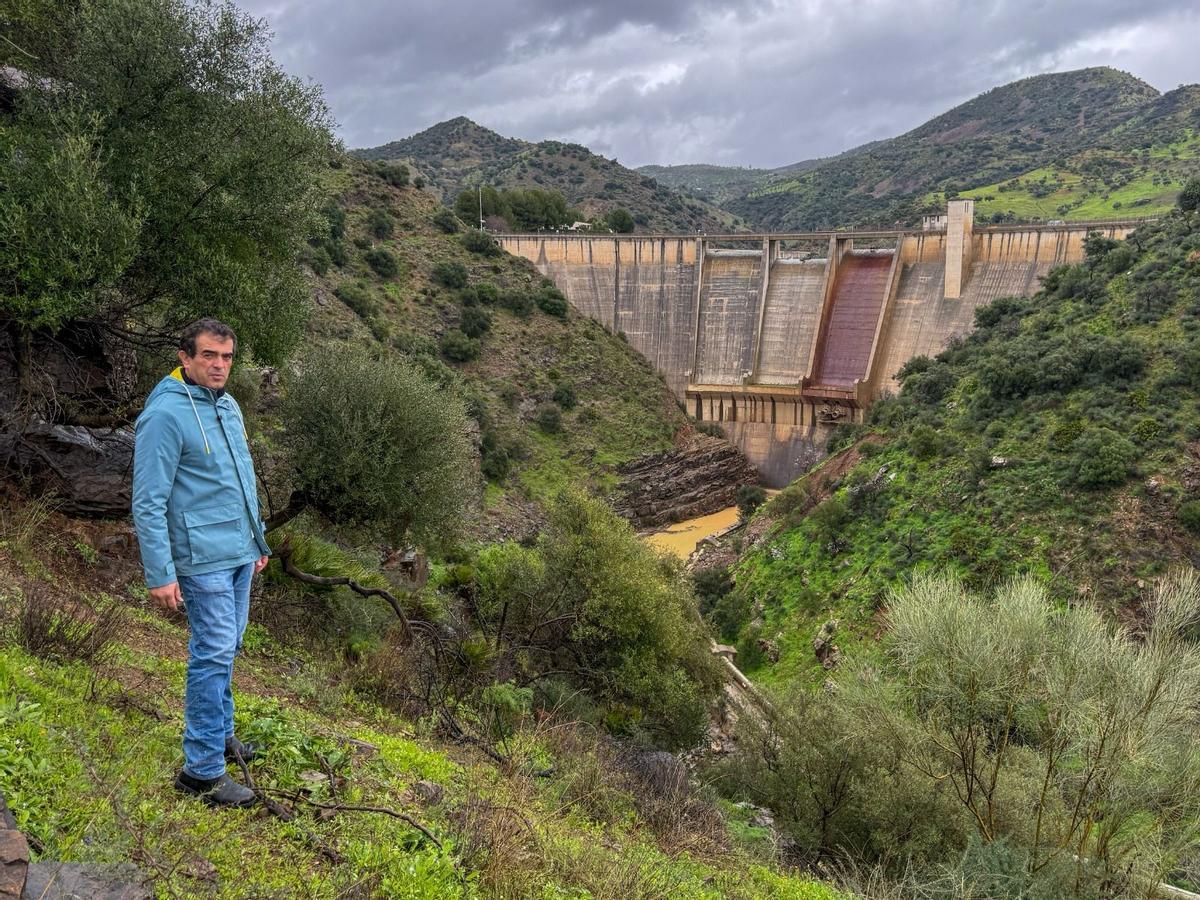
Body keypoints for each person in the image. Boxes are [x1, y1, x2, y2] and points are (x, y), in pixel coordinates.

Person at [131, 318, 271, 808]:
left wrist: (258, 542)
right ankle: (202, 772)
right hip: (199, 557)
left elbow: (242, 478)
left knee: (228, 646)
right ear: (185, 356)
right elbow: (148, 500)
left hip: (237, 551)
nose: (219, 366)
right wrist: (160, 572)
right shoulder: (165, 415)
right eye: (210, 356)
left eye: (227, 357)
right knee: (212, 652)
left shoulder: (229, 406)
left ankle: (222, 737)